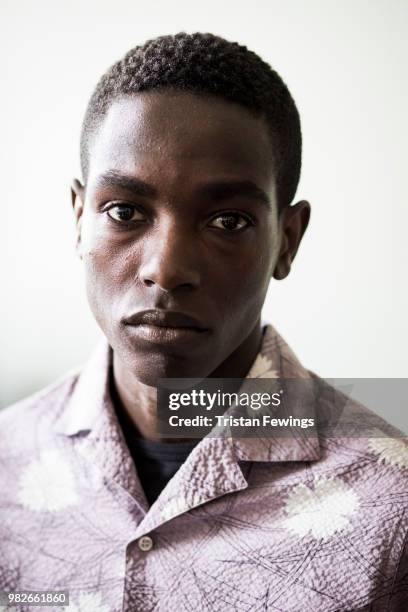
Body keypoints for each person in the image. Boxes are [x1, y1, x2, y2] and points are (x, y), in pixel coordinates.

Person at [0, 32, 407, 612]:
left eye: (228, 221)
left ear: (286, 241)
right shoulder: (6, 471)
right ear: (79, 219)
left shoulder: (392, 508)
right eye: (125, 211)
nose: (167, 269)